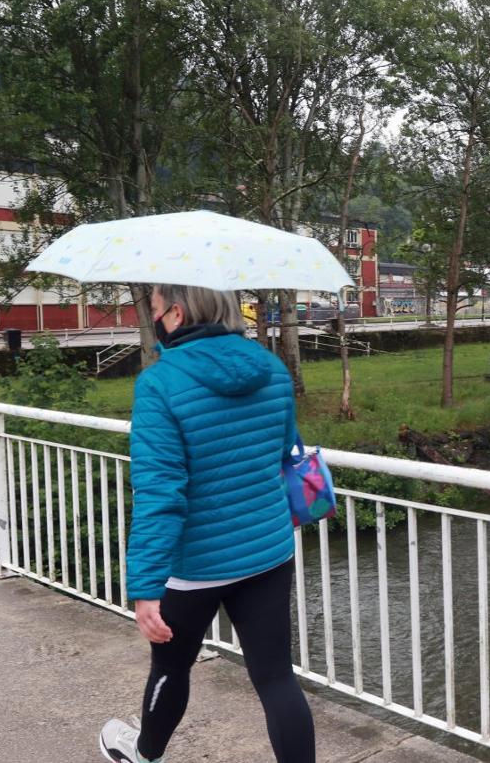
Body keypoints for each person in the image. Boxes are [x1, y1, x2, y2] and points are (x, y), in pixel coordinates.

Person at [99, 284, 315, 763]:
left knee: (172, 667)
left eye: (153, 310)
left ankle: (144, 752)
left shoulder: (160, 383)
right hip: (267, 550)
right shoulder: (272, 369)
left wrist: (146, 587)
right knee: (277, 677)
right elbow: (283, 454)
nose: (152, 318)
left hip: (195, 564)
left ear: (175, 314)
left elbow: (159, 493)